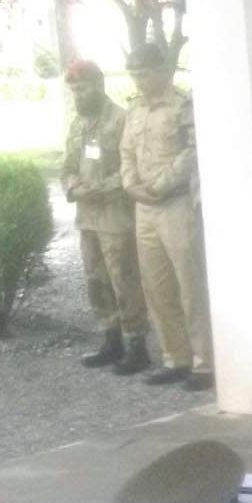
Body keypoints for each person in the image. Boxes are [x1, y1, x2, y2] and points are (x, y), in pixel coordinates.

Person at [119, 42, 212, 391]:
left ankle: (204, 361)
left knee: (189, 284)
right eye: (133, 75)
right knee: (156, 287)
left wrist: (162, 183)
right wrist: (131, 185)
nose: (138, 81)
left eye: (143, 74)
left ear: (161, 71)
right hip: (144, 206)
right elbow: (125, 151)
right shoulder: (135, 109)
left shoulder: (181, 105)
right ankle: (176, 357)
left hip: (174, 204)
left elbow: (193, 150)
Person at [60, 59, 149, 376]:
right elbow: (67, 166)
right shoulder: (77, 124)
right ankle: (111, 339)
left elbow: (130, 168)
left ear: (98, 85)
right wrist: (73, 187)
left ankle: (137, 343)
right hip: (87, 217)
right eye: (73, 91)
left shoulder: (120, 120)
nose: (78, 96)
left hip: (115, 216)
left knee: (123, 279)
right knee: (96, 279)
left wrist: (98, 190)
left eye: (82, 89)